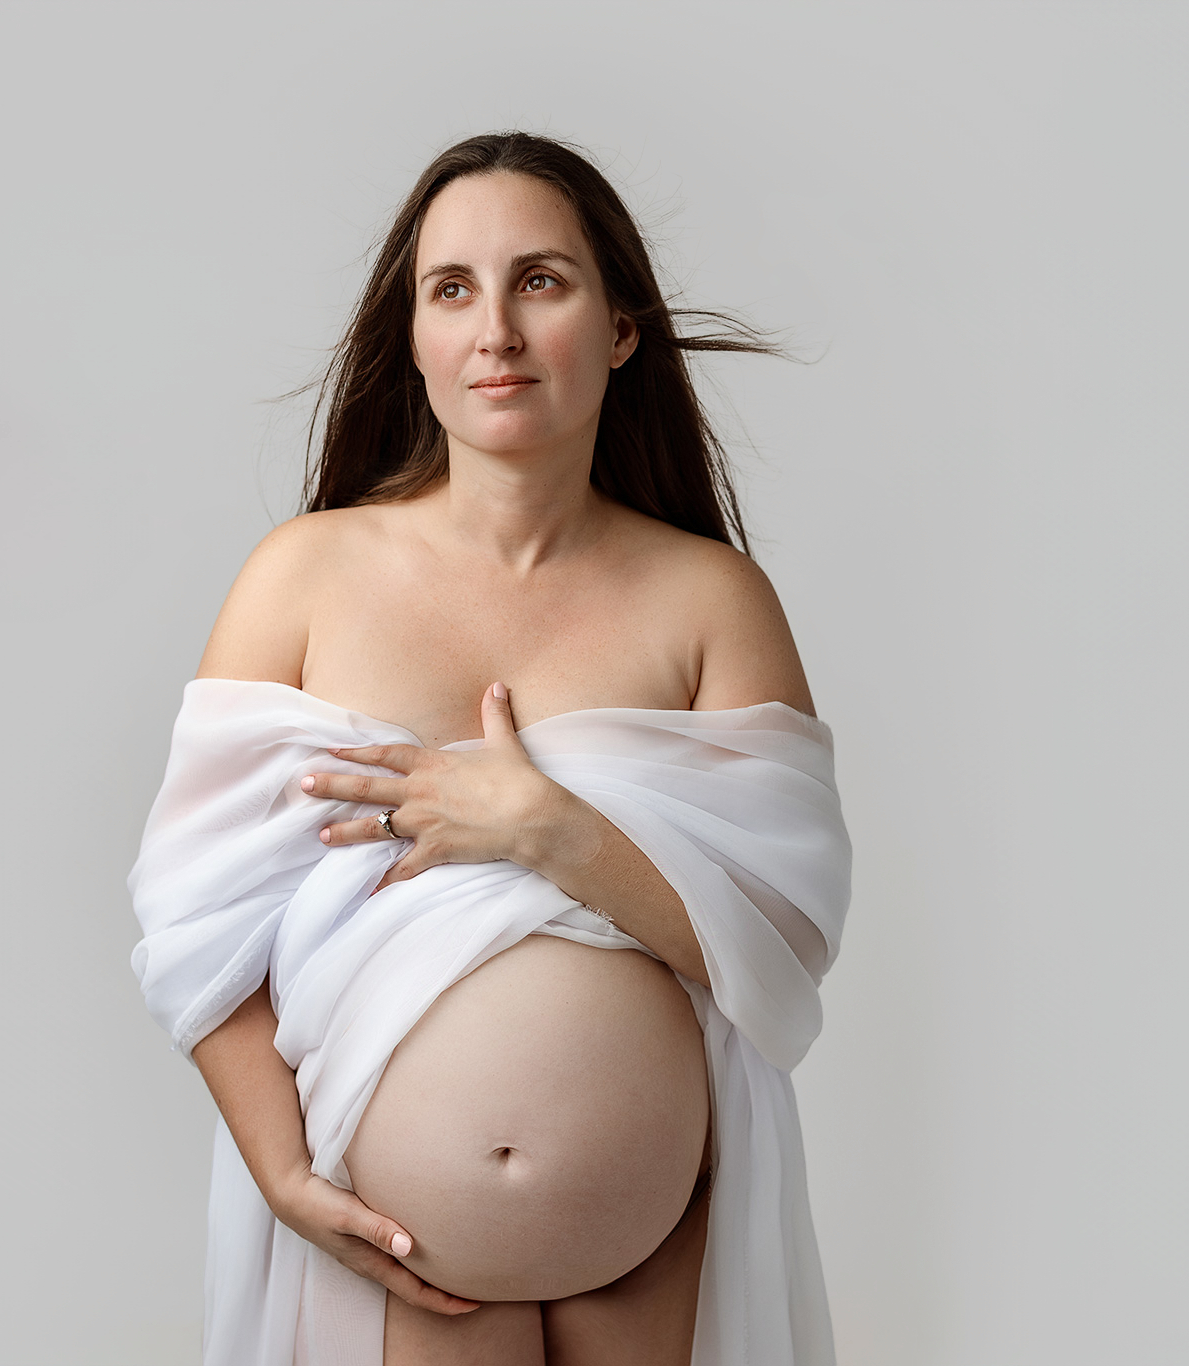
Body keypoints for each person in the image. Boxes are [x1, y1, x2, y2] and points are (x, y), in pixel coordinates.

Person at [129, 132, 853, 1365]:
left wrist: (547, 832)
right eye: (450, 289)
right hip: (392, 1253)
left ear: (621, 326)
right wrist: (284, 1175)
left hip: (656, 1249)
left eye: (541, 280)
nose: (495, 331)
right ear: (409, 338)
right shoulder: (304, 577)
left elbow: (782, 943)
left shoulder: (709, 601)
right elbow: (196, 931)